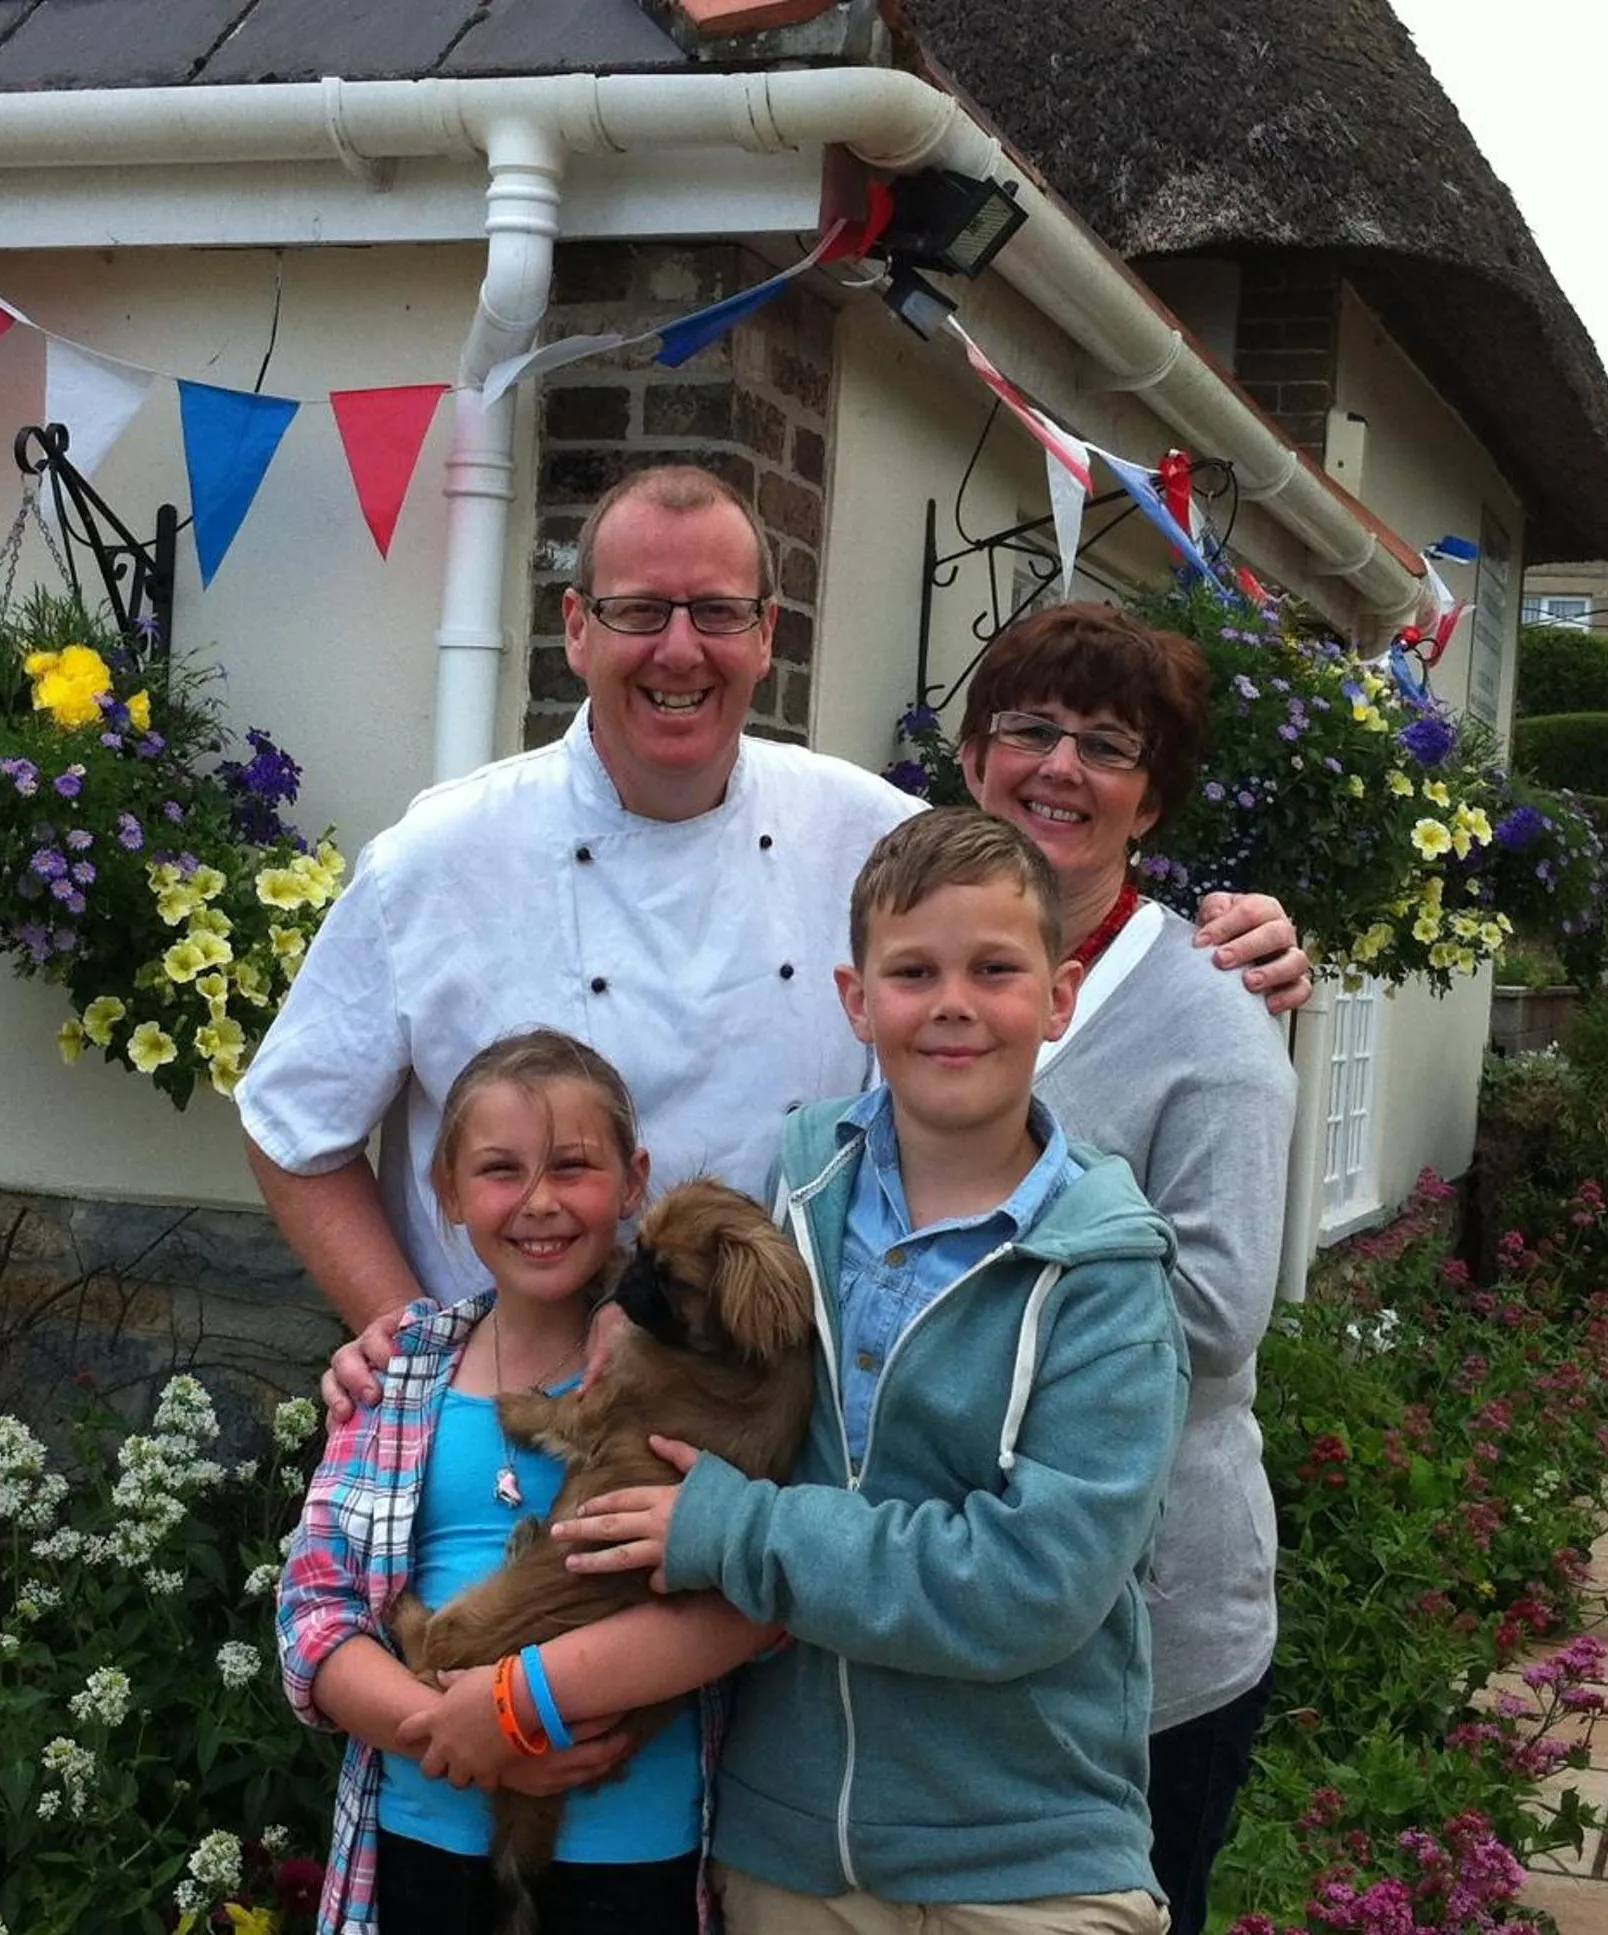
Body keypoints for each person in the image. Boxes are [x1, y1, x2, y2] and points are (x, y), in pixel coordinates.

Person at [238, 464, 1308, 1358]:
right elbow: (294, 1130)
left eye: (716, 614)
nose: (679, 650)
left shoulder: (866, 831)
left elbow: (1045, 869)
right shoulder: (434, 857)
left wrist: (1229, 938)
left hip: (774, 1427)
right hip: (502, 1407)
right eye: (639, 612)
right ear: (576, 629)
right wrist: (416, 1339)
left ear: (765, 635)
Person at [550, 808, 1189, 1935]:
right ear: (857, 1001)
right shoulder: (797, 1191)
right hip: (790, 1850)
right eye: (913, 971)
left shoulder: (1104, 1269)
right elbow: (672, 1333)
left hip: (1028, 1859)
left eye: (995, 969)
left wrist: (737, 1531)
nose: (952, 1002)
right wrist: (426, 1349)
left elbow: (1033, 1585)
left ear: (1059, 997)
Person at [956, 602, 1298, 1935]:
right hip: (938, 1597)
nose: (1059, 766)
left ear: (1150, 798)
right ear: (976, 754)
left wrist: (940, 1286)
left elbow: (1213, 1317)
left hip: (1148, 1627)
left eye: (1107, 744)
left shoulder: (1208, 1014)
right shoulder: (917, 964)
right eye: (1029, 727)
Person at [278, 1030, 767, 1935]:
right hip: (423, 1835)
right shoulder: (398, 1368)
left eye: (573, 1165)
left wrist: (515, 1711)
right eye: (501, 1169)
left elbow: (756, 1600)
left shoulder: (707, 1379)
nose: (539, 1201)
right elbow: (315, 1613)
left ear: (633, 1182)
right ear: (449, 1193)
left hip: (636, 1851)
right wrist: (452, 1730)